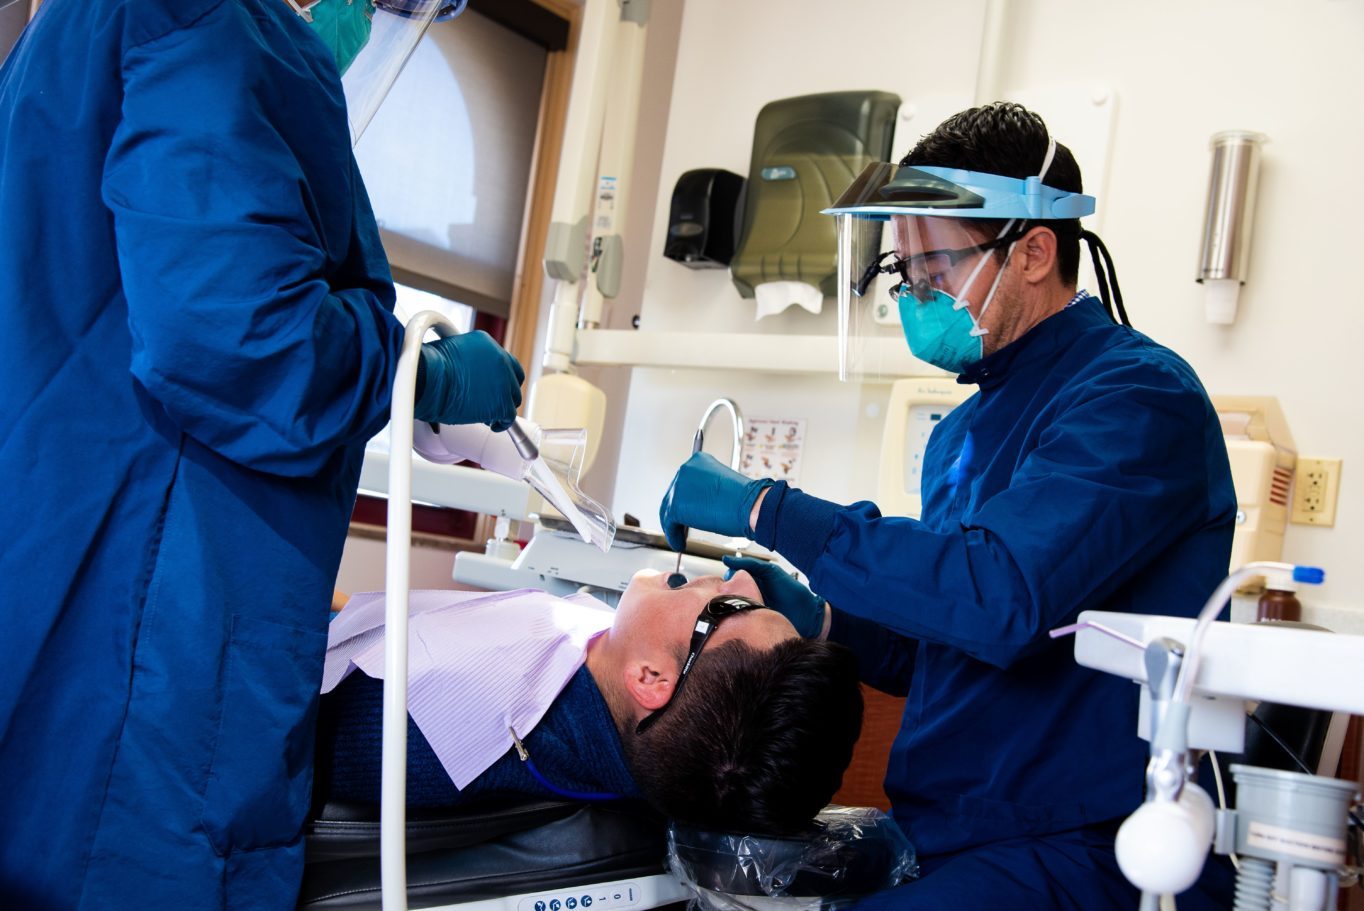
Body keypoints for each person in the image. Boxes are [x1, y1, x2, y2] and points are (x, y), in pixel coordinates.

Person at [0, 0, 523, 908]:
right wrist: (415, 371)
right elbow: (241, 338)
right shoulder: (209, 24)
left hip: (74, 554)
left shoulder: (108, 31)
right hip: (155, 620)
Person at [658, 103, 1238, 910]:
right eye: (906, 273)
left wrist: (770, 510)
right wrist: (830, 618)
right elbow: (947, 633)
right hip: (953, 828)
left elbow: (1000, 598)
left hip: (1087, 844)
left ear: (1034, 251)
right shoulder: (963, 427)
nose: (916, 295)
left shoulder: (1136, 398)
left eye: (935, 268)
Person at [317, 569, 865, 834]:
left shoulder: (436, 719)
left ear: (651, 678)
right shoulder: (605, 704)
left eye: (730, 604)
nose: (741, 574)